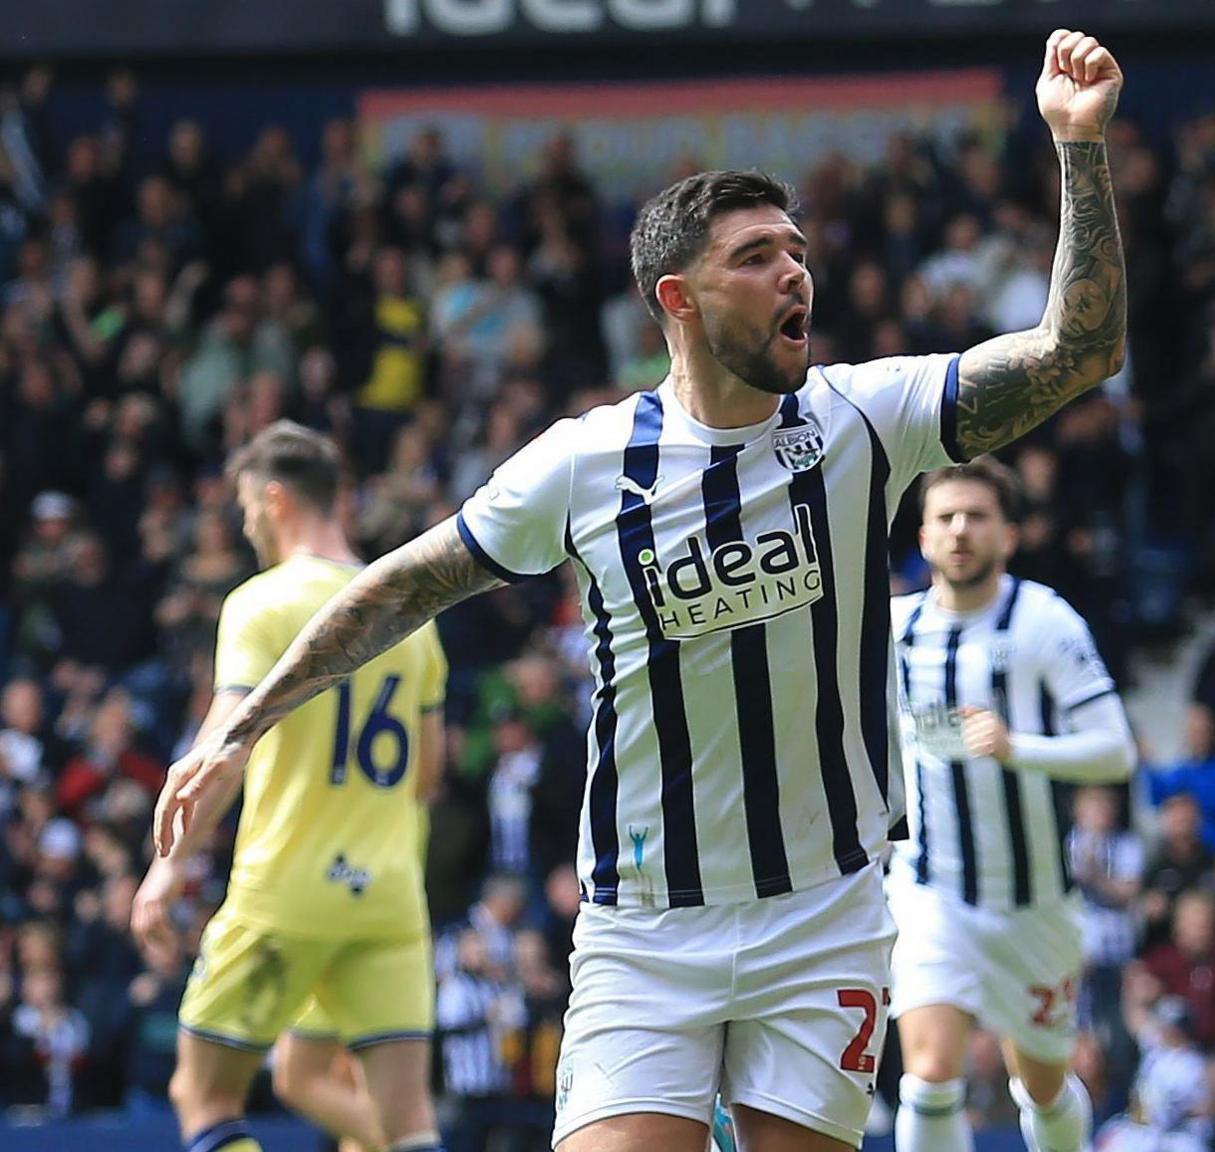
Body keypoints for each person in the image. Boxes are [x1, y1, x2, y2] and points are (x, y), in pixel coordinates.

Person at [156, 28, 1127, 1152]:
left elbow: (1079, 349)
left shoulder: (869, 415)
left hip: (823, 917)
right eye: (756, 255)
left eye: (797, 250)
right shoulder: (583, 463)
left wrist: (1077, 150)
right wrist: (240, 725)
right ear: (677, 297)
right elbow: (399, 585)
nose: (793, 271)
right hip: (642, 928)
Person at [133, 421, 448, 1152]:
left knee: (201, 1096)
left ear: (274, 499)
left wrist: (167, 868)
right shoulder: (412, 617)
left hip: (286, 891)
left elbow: (220, 752)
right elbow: (428, 775)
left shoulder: (263, 603)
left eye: (246, 510)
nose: (247, 527)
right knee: (407, 1129)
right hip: (390, 897)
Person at [888, 457, 1137, 1152]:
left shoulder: (1043, 620)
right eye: (946, 518)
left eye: (977, 517)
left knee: (1043, 1083)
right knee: (930, 1076)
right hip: (931, 889)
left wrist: (1015, 747)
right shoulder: (891, 631)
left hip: (1035, 903)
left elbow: (1115, 752)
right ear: (924, 539)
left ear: (1010, 536)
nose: (961, 530)